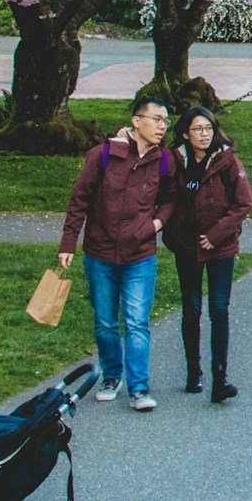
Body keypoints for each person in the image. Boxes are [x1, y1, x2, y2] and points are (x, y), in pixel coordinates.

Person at [58, 94, 175, 410]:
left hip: (140, 255)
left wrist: (155, 224)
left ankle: (140, 387)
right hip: (100, 253)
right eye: (156, 119)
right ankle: (112, 375)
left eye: (166, 121)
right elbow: (79, 199)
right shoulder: (102, 156)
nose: (162, 126)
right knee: (106, 321)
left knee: (137, 321)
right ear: (137, 121)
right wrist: (68, 243)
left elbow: (170, 199)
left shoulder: (165, 160)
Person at [164, 105, 252, 403]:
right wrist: (174, 234)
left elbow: (242, 204)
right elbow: (167, 196)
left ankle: (220, 378)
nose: (204, 134)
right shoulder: (176, 160)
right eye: (198, 129)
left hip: (220, 246)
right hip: (186, 246)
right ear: (186, 134)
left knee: (218, 309)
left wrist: (216, 235)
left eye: (209, 129)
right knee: (191, 308)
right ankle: (193, 372)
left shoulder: (227, 161)